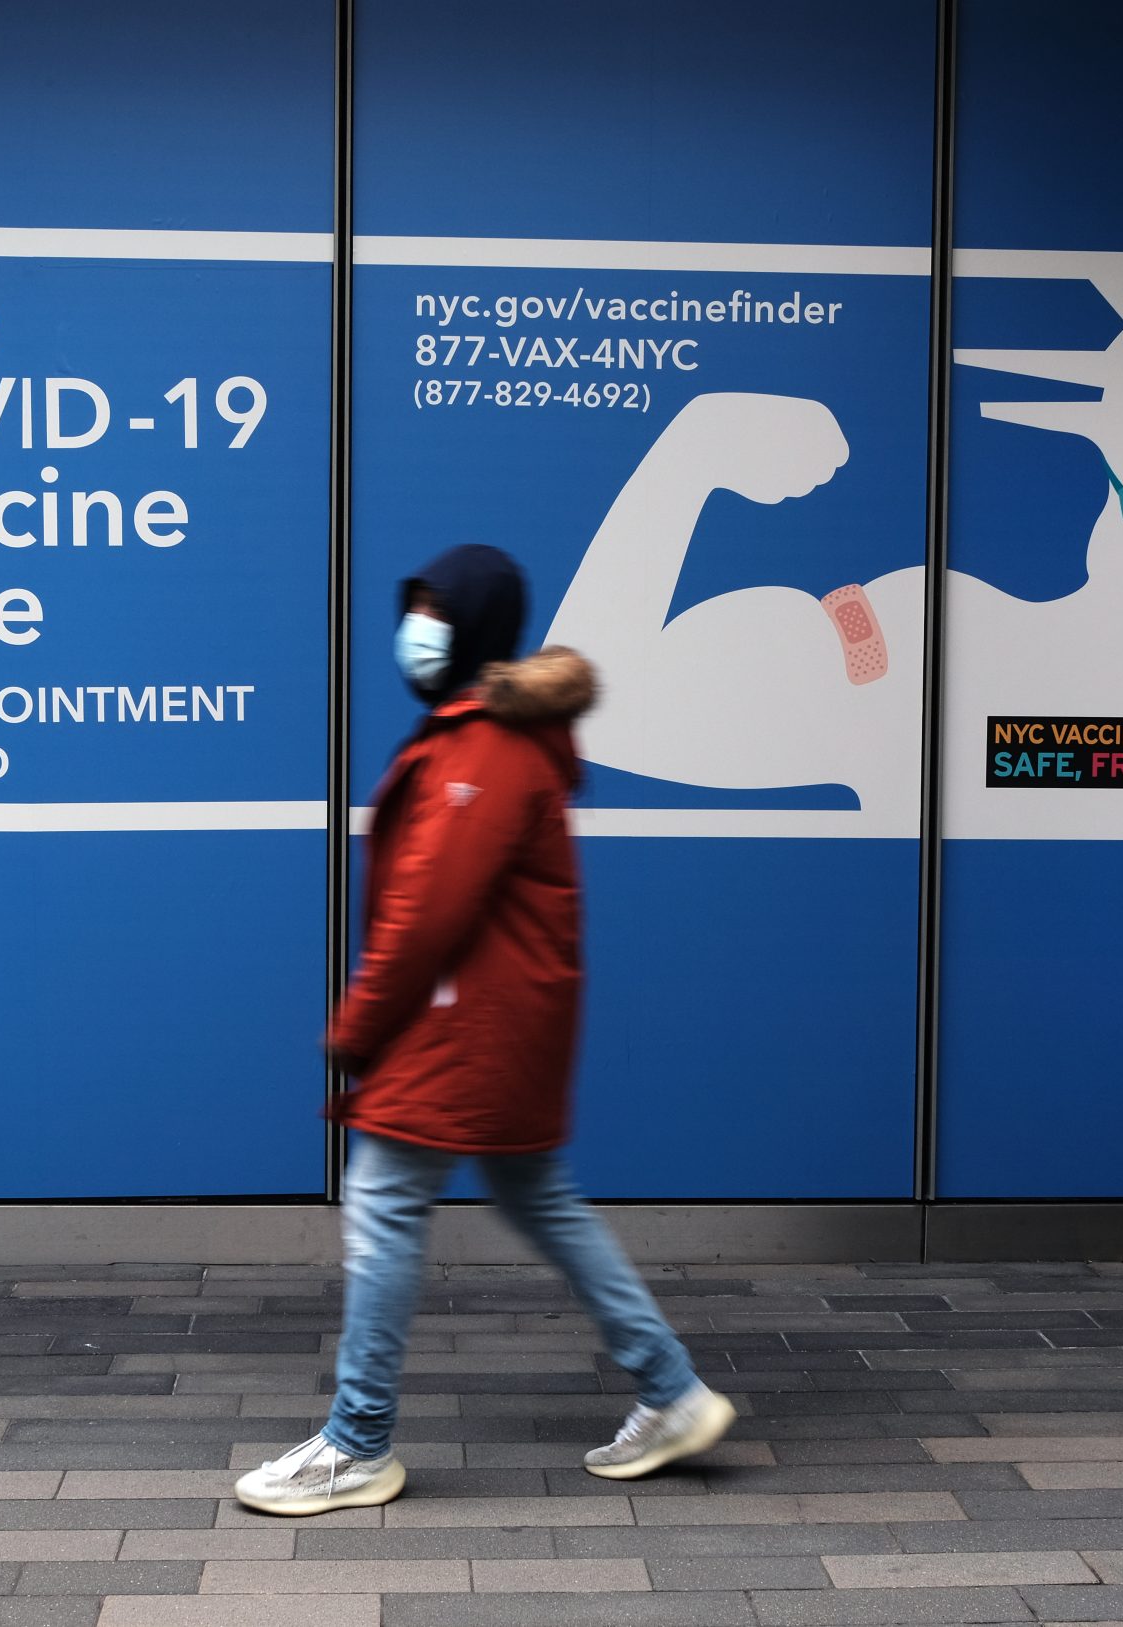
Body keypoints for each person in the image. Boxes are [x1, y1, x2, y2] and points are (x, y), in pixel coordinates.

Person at [234, 543, 735, 1517]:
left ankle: (356, 1443)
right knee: (539, 1197)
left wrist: (359, 1023)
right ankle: (670, 1390)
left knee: (382, 1202)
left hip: (462, 1023)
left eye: (432, 609)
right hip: (497, 1020)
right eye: (410, 605)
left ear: (471, 626)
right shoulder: (476, 735)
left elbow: (428, 910)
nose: (414, 628)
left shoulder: (485, 749)